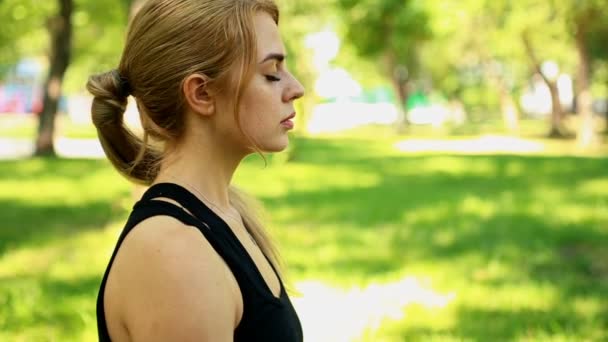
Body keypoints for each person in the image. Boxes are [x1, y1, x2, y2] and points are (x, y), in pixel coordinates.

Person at [86, 0, 305, 340]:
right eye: (271, 74)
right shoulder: (175, 255)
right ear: (202, 93)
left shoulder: (224, 215)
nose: (296, 89)